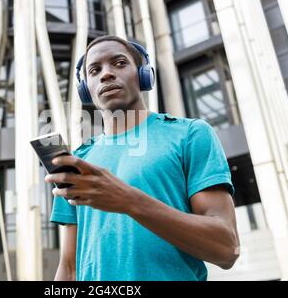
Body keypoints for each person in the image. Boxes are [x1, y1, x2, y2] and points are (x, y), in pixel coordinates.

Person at [45, 35, 240, 281]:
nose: (106, 74)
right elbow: (70, 267)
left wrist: (128, 200)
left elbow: (226, 248)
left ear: (143, 75)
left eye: (119, 63)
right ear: (86, 90)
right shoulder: (78, 161)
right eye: (95, 70)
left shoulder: (189, 134)